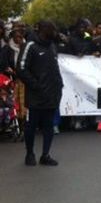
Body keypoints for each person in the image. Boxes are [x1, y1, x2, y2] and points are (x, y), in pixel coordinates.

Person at [17, 20, 63, 166]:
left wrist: (58, 85)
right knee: (31, 125)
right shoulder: (30, 45)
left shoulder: (52, 46)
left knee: (49, 125)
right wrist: (36, 85)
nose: (55, 32)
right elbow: (21, 69)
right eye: (53, 29)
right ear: (44, 29)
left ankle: (45, 155)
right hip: (36, 95)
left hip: (52, 94)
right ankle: (30, 153)